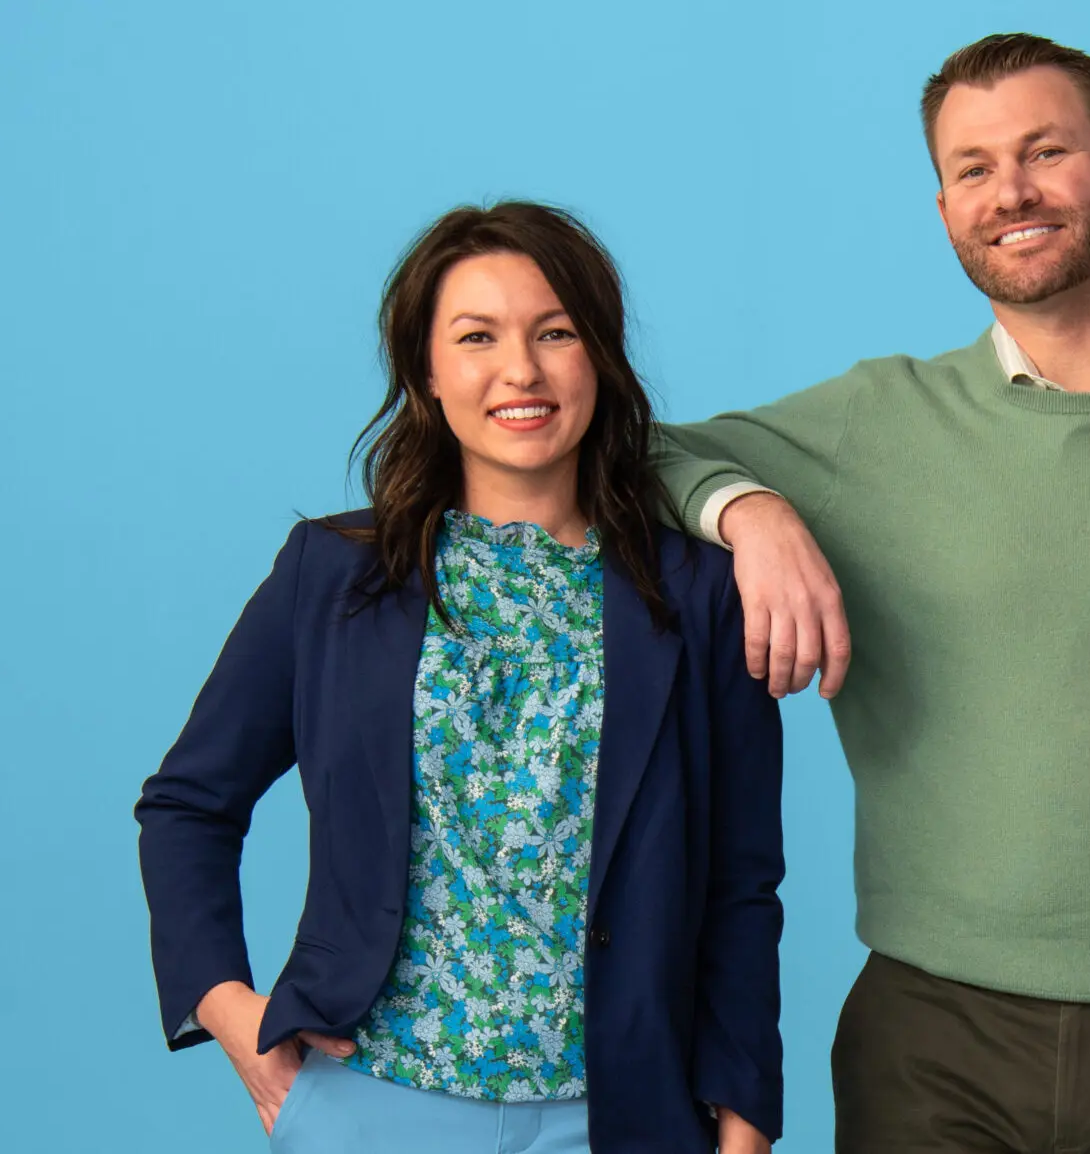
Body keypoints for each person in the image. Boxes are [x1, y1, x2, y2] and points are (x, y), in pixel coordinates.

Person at [649, 33, 1090, 1151]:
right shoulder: (875, 422)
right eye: (974, 168)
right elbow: (629, 455)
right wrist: (753, 511)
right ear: (942, 207)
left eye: (1046, 152)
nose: (1012, 193)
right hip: (932, 1031)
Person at [137, 203, 786, 1154]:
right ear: (426, 374)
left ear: (598, 357)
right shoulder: (333, 575)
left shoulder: (700, 594)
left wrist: (746, 1121)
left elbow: (741, 879)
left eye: (554, 333)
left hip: (623, 1114)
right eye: (476, 337)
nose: (520, 371)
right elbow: (189, 803)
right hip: (370, 1099)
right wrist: (233, 1014)